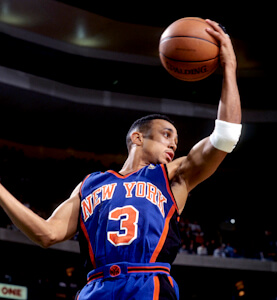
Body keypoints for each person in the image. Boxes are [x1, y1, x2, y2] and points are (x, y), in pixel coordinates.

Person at [0, 20, 241, 300]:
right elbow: (46, 234)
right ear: (137, 138)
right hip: (96, 288)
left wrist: (230, 69)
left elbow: (225, 137)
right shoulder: (90, 184)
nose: (174, 143)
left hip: (148, 281)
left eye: (176, 139)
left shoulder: (174, 175)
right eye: (166, 134)